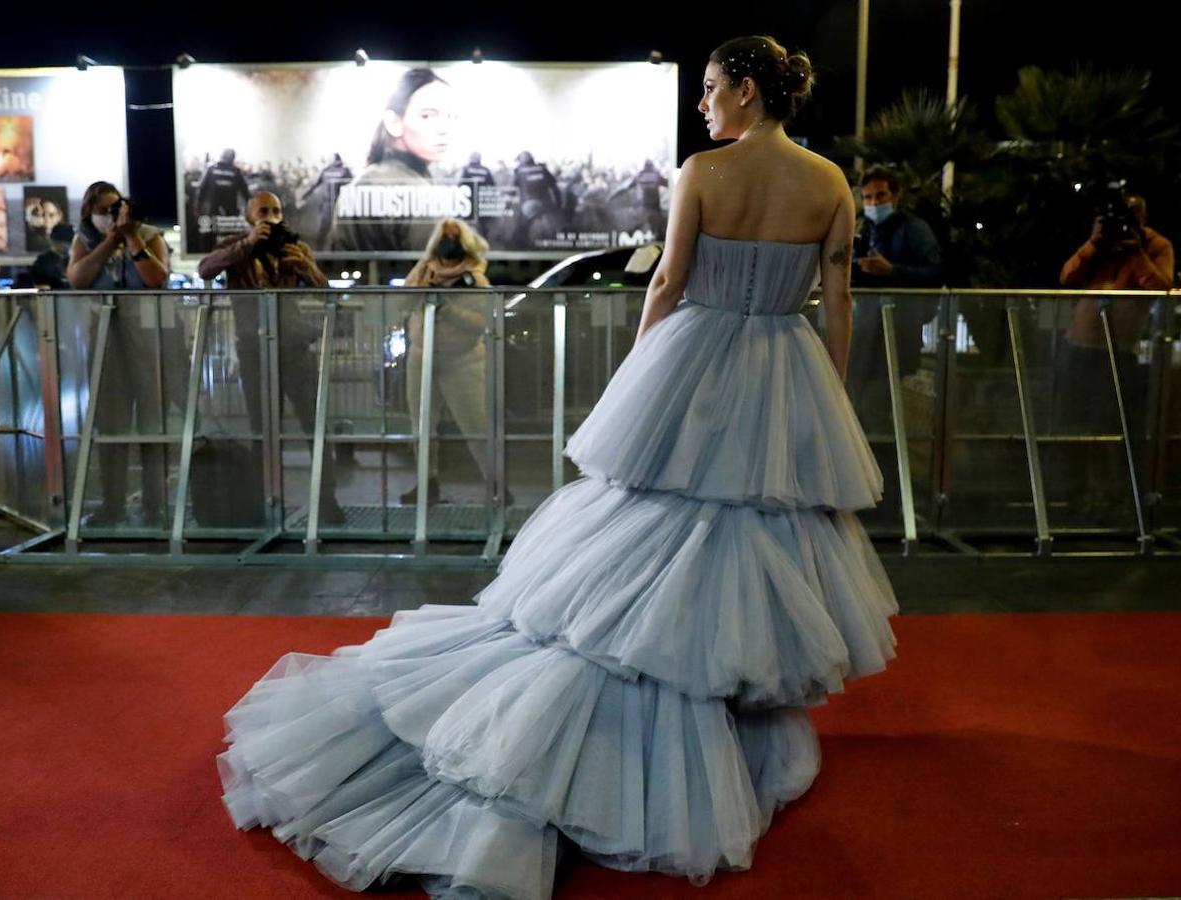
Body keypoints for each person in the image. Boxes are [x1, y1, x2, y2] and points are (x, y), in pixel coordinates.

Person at [217, 35, 897, 898]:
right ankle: (721, 714)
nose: (703, 102)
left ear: (751, 91)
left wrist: (643, 377)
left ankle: (635, 700)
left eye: (714, 87)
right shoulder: (831, 183)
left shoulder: (705, 172)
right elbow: (837, 292)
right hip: (784, 366)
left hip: (696, 360)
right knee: (748, 533)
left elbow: (667, 286)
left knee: (648, 523)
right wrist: (825, 392)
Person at [197, 192, 345, 525]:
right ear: (249, 217)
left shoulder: (294, 246)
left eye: (276, 210)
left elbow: (326, 295)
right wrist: (248, 244)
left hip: (295, 349)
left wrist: (305, 267)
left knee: (316, 428)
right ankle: (269, 502)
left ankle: (327, 501)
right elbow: (205, 269)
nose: (271, 216)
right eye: (263, 211)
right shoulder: (236, 245)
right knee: (263, 432)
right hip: (254, 350)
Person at [66, 181, 177, 527]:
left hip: (148, 340)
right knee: (110, 426)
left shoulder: (148, 234)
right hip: (105, 341)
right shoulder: (83, 240)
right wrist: (109, 242)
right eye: (103, 210)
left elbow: (156, 278)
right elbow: (77, 279)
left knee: (151, 424)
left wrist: (131, 238)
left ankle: (155, 505)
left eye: (116, 207)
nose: (111, 216)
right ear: (89, 212)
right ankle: (113, 503)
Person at [1053, 193, 1174, 502]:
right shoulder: (1100, 245)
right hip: (1079, 345)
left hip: (1119, 351)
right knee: (1070, 422)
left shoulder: (1156, 246)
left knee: (1112, 424)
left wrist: (1136, 254)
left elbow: (1161, 288)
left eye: (1131, 216)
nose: (1123, 224)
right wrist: (1094, 243)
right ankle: (1070, 490)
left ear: (1143, 218)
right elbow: (1067, 276)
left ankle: (1114, 494)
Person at [397, 218, 502, 505]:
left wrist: (447, 306)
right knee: (420, 427)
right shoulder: (424, 269)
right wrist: (422, 289)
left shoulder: (476, 278)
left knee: (476, 426)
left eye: (455, 237)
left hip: (463, 361)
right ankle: (426, 483)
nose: (449, 242)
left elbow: (480, 322)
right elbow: (403, 301)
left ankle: (496, 484)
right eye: (444, 237)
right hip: (422, 356)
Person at [847, 166, 944, 431]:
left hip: (898, 333)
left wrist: (892, 270)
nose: (874, 203)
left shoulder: (913, 229)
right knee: (855, 405)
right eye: (868, 198)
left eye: (880, 196)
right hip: (864, 334)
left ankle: (884, 466)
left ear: (895, 195)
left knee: (877, 406)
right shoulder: (864, 230)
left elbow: (936, 272)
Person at [329, 68, 456, 253]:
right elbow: (435, 273)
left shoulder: (371, 179)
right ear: (394, 122)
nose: (444, 128)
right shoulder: (412, 190)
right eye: (427, 115)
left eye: (451, 116)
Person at [511, 150, 562, 248]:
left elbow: (511, 191)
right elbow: (555, 188)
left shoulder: (519, 171)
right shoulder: (542, 169)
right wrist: (558, 204)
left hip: (528, 205)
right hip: (546, 206)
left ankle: (520, 248)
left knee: (520, 230)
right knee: (551, 231)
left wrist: (506, 207)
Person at [298, 153, 353, 246]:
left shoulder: (325, 171)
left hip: (328, 204)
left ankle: (319, 248)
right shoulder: (345, 171)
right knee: (343, 228)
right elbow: (352, 186)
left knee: (324, 228)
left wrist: (303, 196)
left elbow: (313, 185)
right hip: (340, 204)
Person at [610, 159, 670, 236]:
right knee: (657, 232)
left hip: (643, 209)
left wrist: (612, 196)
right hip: (655, 209)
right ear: (652, 166)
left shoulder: (640, 176)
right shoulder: (656, 176)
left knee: (641, 232)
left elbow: (624, 187)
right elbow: (669, 184)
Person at [30, 222, 74, 289]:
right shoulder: (42, 262)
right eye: (63, 242)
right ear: (53, 241)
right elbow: (42, 290)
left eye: (69, 242)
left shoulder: (74, 259)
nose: (67, 246)